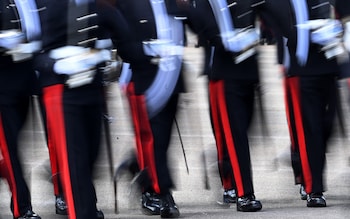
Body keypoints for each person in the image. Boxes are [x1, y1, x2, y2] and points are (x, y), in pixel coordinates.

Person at [33, 0, 128, 218]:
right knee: (75, 165)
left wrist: (108, 53)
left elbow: (119, 32)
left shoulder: (97, 5)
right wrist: (58, 62)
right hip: (62, 90)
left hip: (92, 88)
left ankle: (85, 204)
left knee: (91, 158)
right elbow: (37, 52)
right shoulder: (52, 6)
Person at [257, 0, 350, 207]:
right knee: (309, 129)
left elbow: (345, 12)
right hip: (300, 65)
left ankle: (302, 161)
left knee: (327, 126)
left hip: (329, 61)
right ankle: (313, 188)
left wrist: (340, 28)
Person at [181, 0, 264, 212]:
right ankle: (242, 192)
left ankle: (227, 171)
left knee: (243, 129)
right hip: (223, 70)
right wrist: (223, 38)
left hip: (248, 68)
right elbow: (199, 21)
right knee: (233, 133)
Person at [111, 0, 186, 217]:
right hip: (145, 79)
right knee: (152, 139)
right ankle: (157, 192)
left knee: (162, 140)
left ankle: (139, 168)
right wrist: (147, 49)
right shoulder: (128, 4)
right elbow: (123, 43)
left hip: (172, 78)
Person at [0, 0, 42, 218]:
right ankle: (22, 208)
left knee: (15, 146)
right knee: (12, 151)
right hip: (2, 85)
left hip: (24, 81)